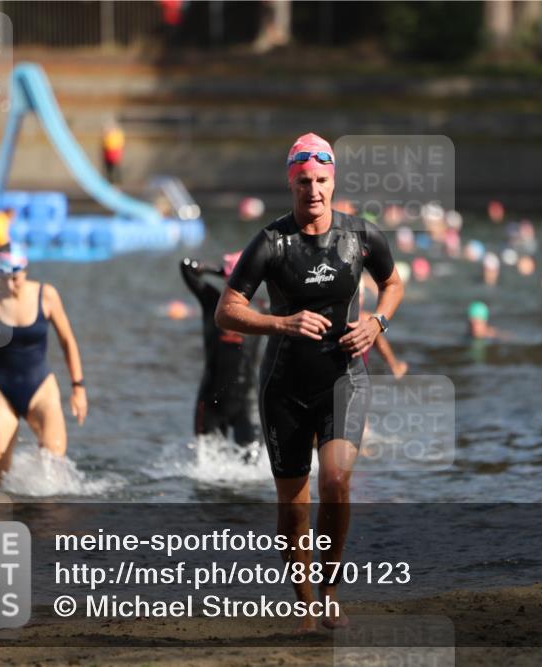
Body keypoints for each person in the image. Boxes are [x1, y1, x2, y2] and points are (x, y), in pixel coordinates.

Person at [215, 133, 404, 632]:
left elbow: (393, 283)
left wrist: (378, 324)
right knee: (293, 506)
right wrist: (283, 323)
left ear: (333, 180)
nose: (313, 190)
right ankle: (304, 601)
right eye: (304, 182)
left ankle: (331, 591)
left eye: (321, 180)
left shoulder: (361, 236)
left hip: (345, 379)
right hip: (284, 387)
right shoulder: (272, 242)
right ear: (291, 183)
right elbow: (226, 311)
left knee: (337, 480)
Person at [0, 245, 87, 486]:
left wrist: (78, 387)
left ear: (25, 270)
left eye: (15, 278)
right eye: (4, 278)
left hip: (42, 389)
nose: (10, 285)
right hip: (1, 393)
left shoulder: (47, 295)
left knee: (55, 473)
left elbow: (67, 341)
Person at [180, 253, 262, 452]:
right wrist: (221, 270)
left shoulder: (263, 310)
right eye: (236, 277)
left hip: (247, 401)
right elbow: (187, 267)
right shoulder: (212, 301)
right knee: (206, 465)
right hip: (211, 398)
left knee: (251, 464)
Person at [102, 119, 124, 185]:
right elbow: (104, 143)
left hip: (114, 152)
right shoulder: (107, 134)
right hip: (108, 152)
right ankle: (110, 180)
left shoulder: (117, 133)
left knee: (116, 167)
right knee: (109, 168)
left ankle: (117, 181)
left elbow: (120, 143)